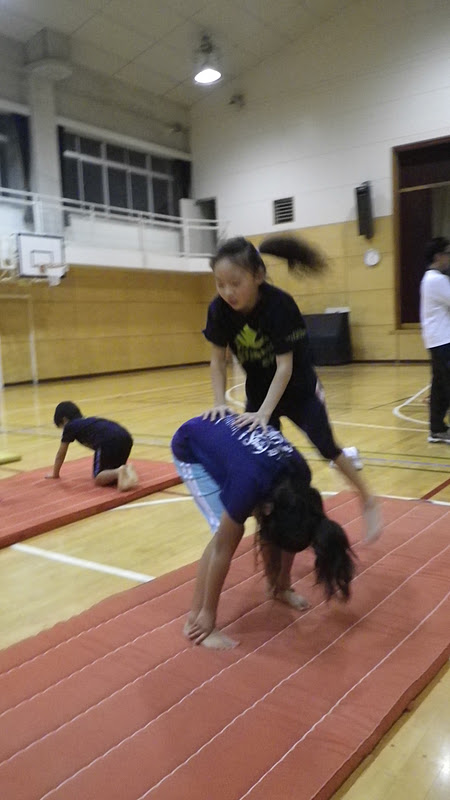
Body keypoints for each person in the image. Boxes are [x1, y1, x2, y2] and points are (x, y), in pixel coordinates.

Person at [202, 234, 381, 541]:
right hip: (260, 391)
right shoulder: (219, 310)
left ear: (258, 276)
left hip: (298, 389)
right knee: (262, 458)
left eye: (235, 283)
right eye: (220, 284)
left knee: (326, 446)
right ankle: (272, 523)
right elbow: (218, 360)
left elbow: (285, 367)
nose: (228, 292)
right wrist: (220, 402)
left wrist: (264, 413)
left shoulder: (279, 305)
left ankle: (367, 497)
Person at [171, 412, 355, 650]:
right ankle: (195, 620)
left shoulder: (299, 480)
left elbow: (290, 525)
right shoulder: (247, 486)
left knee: (290, 523)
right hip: (191, 444)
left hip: (238, 450)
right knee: (224, 533)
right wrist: (208, 614)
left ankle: (280, 587)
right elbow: (221, 550)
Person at [48, 401, 138, 490]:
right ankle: (127, 470)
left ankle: (119, 471)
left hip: (108, 440)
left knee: (99, 479)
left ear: (64, 420)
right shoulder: (87, 422)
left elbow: (61, 453)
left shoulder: (70, 426)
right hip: (126, 437)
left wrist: (55, 474)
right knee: (110, 475)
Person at [419, 236, 450, 443]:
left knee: (439, 386)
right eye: (447, 254)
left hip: (437, 340)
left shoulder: (430, 278)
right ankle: (437, 429)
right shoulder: (437, 280)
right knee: (445, 385)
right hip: (443, 340)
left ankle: (437, 429)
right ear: (438, 256)